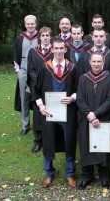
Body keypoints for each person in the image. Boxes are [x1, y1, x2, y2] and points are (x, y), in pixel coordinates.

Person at [33, 38, 78, 188]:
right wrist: (40, 106)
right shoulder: (45, 67)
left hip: (68, 111)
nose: (59, 51)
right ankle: (49, 173)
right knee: (48, 141)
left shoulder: (72, 68)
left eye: (61, 48)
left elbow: (80, 89)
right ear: (51, 50)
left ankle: (70, 173)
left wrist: (72, 98)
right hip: (49, 112)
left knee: (69, 140)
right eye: (56, 48)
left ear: (66, 50)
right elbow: (36, 90)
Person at [76, 52, 110, 190]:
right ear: (90, 62)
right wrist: (89, 114)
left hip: (103, 118)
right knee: (86, 146)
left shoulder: (109, 79)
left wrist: (96, 114)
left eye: (99, 62)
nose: (96, 64)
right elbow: (79, 99)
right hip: (85, 118)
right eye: (94, 61)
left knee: (103, 148)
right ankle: (87, 175)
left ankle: (104, 176)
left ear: (103, 62)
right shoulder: (83, 78)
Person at [27, 27, 53, 153]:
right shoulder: (33, 52)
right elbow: (31, 70)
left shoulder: (55, 51)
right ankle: (38, 142)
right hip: (37, 87)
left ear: (50, 37)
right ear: (40, 37)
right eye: (43, 35)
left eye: (48, 35)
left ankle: (51, 139)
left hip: (52, 87)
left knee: (51, 113)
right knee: (38, 115)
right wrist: (39, 82)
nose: (46, 37)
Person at [12, 14, 39, 136]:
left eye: (32, 23)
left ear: (36, 24)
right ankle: (25, 124)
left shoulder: (41, 36)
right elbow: (15, 54)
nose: (30, 26)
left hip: (38, 71)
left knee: (38, 96)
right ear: (25, 25)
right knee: (24, 98)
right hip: (23, 69)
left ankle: (39, 124)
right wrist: (18, 70)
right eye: (28, 24)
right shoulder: (20, 38)